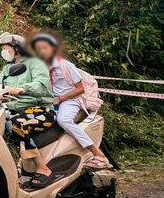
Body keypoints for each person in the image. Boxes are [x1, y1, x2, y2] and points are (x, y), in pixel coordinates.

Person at [30, 33, 111, 169]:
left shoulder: (65, 65)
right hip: (51, 101)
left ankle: (97, 153)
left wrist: (61, 99)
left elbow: (80, 89)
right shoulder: (41, 68)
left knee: (63, 120)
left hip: (70, 100)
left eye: (45, 47)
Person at [0, 32, 58, 188]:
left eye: (6, 48)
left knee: (18, 124)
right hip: (16, 109)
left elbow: (42, 86)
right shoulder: (6, 69)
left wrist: (23, 88)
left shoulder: (35, 63)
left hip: (41, 110)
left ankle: (42, 168)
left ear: (18, 48)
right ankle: (16, 166)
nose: (4, 51)